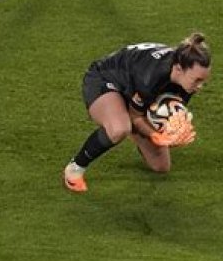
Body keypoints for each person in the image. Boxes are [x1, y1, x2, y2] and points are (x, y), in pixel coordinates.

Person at [63, 32, 212, 192]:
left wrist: (171, 132)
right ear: (178, 68)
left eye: (203, 80)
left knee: (161, 166)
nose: (200, 86)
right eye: (197, 80)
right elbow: (136, 116)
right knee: (120, 128)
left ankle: (131, 125)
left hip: (134, 91)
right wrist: (155, 135)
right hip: (104, 79)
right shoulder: (151, 77)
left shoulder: (185, 77)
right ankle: (75, 167)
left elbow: (164, 109)